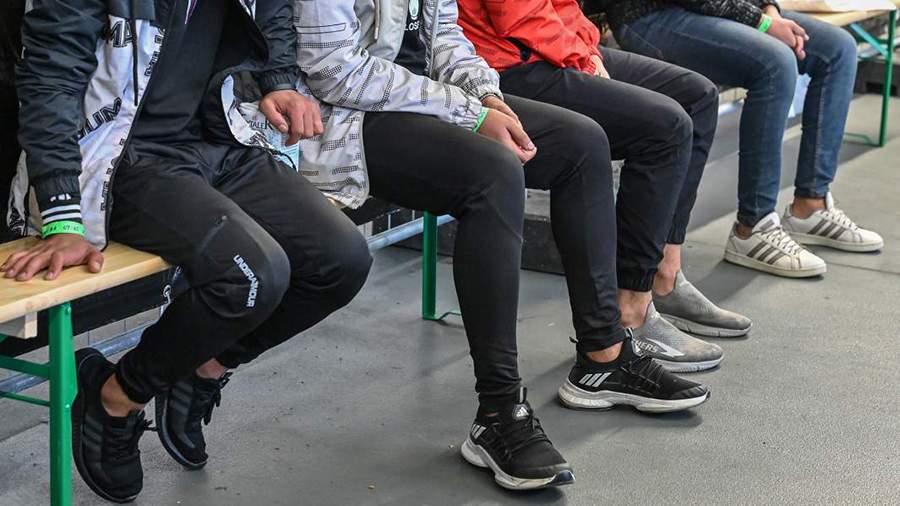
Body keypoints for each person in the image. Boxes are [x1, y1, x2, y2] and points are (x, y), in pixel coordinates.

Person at [295, 0, 712, 491]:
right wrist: (468, 113)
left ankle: (604, 353)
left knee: (582, 144)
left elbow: (444, 34)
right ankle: (499, 411)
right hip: (344, 119)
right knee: (494, 174)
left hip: (426, 97)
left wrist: (486, 97)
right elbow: (334, 71)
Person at [3, 0, 372, 502]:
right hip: (118, 161)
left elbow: (273, 10)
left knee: (342, 259)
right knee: (253, 276)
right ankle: (116, 396)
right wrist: (62, 215)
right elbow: (51, 75)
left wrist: (278, 80)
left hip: (217, 139)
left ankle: (203, 365)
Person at [456, 0, 752, 346]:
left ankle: (664, 274)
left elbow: (561, 6)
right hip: (503, 64)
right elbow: (519, 14)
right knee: (666, 128)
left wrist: (585, 47)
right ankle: (632, 306)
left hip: (545, 46)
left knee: (696, 97)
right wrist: (580, 57)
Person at [593, 0, 883, 277]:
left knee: (838, 49)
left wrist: (769, 9)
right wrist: (762, 22)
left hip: (721, 9)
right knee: (775, 64)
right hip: (649, 14)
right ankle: (753, 227)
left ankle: (810, 205)